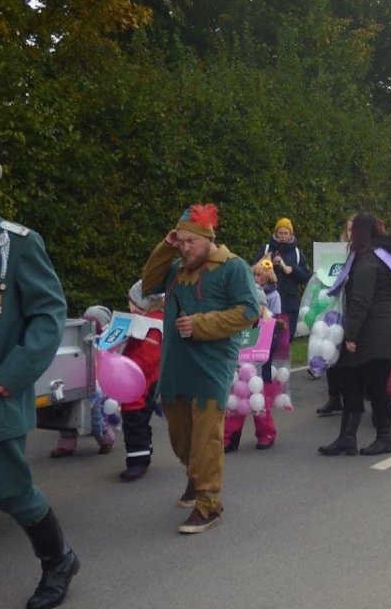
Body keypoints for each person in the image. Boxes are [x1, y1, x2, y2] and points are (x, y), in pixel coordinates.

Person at [142, 203, 260, 534]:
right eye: (179, 242)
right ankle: (195, 478)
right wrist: (166, 247)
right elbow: (149, 282)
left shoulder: (233, 267)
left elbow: (249, 310)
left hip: (212, 364)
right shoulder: (177, 265)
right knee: (181, 435)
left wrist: (201, 324)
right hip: (177, 364)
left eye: (189, 241)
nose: (184, 247)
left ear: (207, 237)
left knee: (206, 435)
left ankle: (209, 504)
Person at [0, 158, 80, 609]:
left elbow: (48, 315)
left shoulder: (18, 244)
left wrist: (13, 374)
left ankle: (58, 560)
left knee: (9, 489)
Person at [318, 213, 391, 456]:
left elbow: (361, 301)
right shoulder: (379, 256)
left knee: (376, 388)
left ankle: (386, 438)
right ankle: (347, 438)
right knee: (351, 383)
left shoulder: (367, 261)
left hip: (373, 336)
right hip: (374, 333)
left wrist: (351, 335)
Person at [224, 258, 283, 452]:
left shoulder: (268, 325)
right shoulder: (237, 325)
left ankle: (266, 434)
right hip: (238, 370)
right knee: (235, 404)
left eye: (256, 306)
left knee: (260, 405)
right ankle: (229, 437)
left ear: (262, 306)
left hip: (260, 370)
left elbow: (273, 346)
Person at [49, 305, 117, 458]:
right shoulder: (76, 340)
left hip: (95, 389)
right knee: (65, 416)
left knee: (95, 419)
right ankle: (66, 445)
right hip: (74, 383)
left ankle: (106, 439)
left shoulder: (104, 345)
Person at [117, 281, 164, 482]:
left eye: (131, 301)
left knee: (134, 420)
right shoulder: (148, 321)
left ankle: (138, 460)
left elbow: (147, 356)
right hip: (145, 379)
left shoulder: (151, 325)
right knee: (141, 419)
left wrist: (128, 370)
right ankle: (145, 449)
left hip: (140, 382)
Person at [316, 215, 354, 416]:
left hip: (351, 310)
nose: (351, 234)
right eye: (348, 230)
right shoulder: (336, 252)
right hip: (333, 309)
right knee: (329, 350)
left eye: (354, 229)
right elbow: (324, 275)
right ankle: (334, 398)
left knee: (348, 357)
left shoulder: (362, 253)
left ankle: (349, 397)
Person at [254, 217, 311, 341]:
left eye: (286, 233)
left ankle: (282, 360)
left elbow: (306, 276)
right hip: (266, 303)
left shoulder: (297, 253)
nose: (283, 236)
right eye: (280, 233)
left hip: (289, 305)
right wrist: (269, 263)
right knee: (264, 340)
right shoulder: (266, 249)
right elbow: (254, 270)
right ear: (275, 233)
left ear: (291, 234)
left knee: (285, 342)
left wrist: (292, 270)